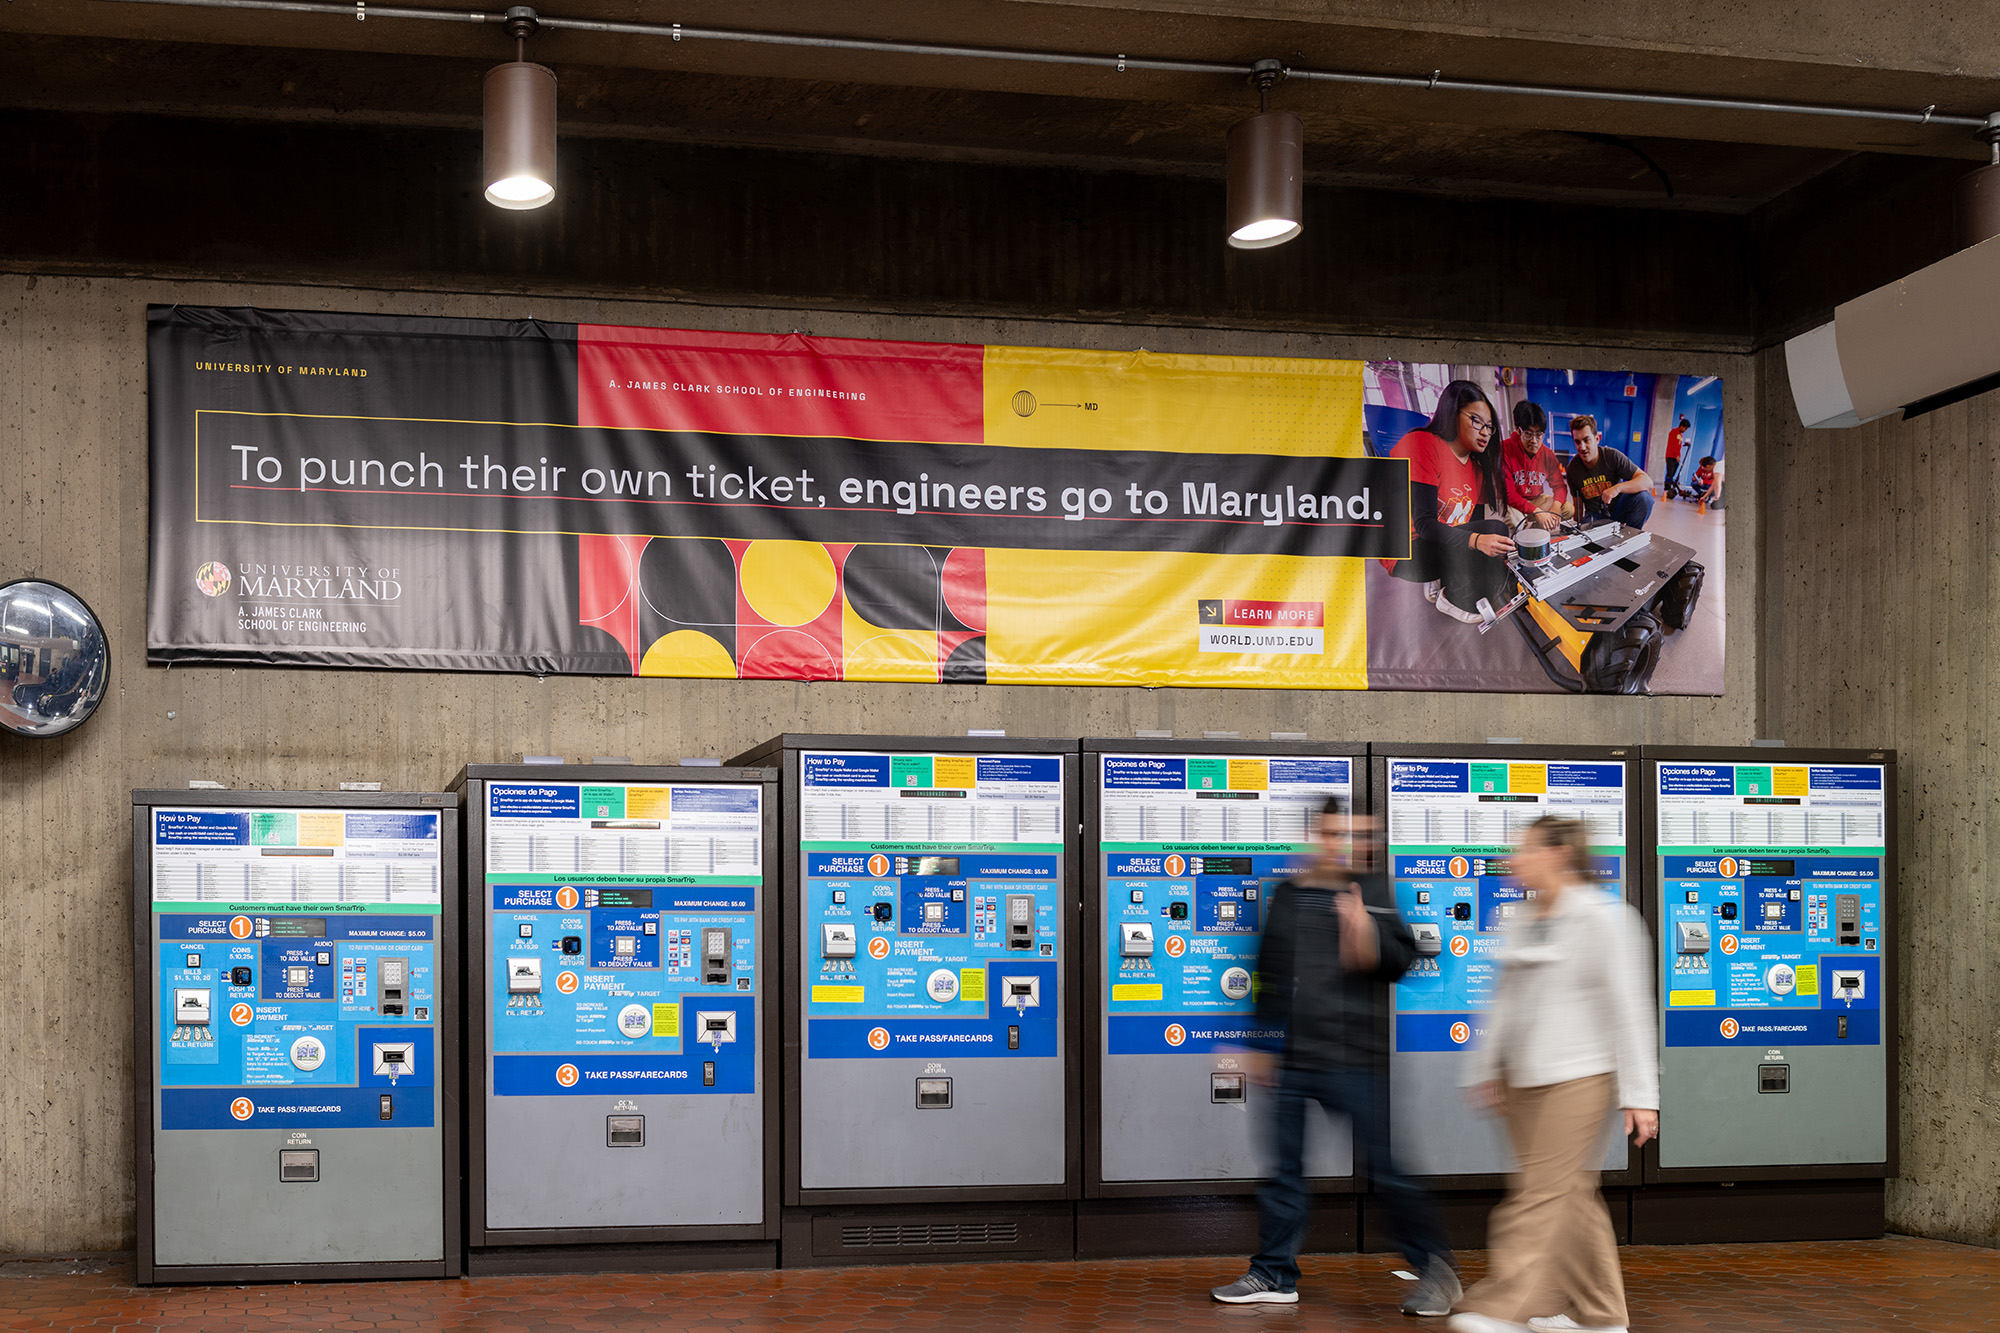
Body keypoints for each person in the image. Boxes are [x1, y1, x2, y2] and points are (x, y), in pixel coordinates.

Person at [1212, 798, 1458, 1314]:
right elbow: (1269, 972)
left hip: (1355, 1057)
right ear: (1314, 836)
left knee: (1386, 1170)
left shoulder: (1371, 890)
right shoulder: (1288, 894)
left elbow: (1399, 962)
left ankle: (1436, 1271)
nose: (1333, 844)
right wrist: (1256, 1043)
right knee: (1282, 1170)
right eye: (1325, 834)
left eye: (1341, 835)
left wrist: (1364, 930)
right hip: (1291, 1058)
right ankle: (1274, 1273)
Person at [1446, 817, 1659, 1333]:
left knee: (1539, 1197)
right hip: (1525, 1079)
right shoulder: (1522, 917)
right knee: (1570, 1195)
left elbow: (1630, 1010)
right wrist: (1486, 1066)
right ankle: (1602, 1316)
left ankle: (1505, 1308)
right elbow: (1504, 1001)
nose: (1515, 860)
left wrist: (1640, 1095)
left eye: (1526, 850)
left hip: (1580, 1077)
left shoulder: (1607, 918)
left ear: (1560, 854)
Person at [1384, 380, 1518, 624]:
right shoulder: (1423, 444)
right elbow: (1424, 524)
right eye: (1476, 421)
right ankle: (1452, 597)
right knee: (1493, 534)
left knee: (1498, 556)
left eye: (1489, 426)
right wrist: (1478, 542)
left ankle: (1446, 580)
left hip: (1442, 544)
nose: (1486, 432)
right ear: (1452, 413)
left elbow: (1474, 525)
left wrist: (1486, 553)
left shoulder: (1477, 469)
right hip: (1409, 549)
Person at [1563, 416, 1653, 531]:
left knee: (1644, 499)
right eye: (1577, 442)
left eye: (1587, 440)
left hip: (1619, 510)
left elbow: (1647, 482)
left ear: (1597, 439)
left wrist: (1617, 488)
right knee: (1587, 534)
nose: (1582, 447)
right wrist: (1577, 532)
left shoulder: (1612, 456)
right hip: (1595, 517)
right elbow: (1578, 506)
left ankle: (1631, 535)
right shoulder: (1573, 469)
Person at [1500, 400, 1573, 531]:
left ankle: (1538, 532)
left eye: (1539, 435)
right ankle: (1520, 540)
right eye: (1528, 434)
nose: (1534, 441)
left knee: (1567, 508)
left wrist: (1556, 505)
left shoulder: (1548, 455)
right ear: (1518, 429)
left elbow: (1560, 486)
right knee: (1516, 522)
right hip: (1513, 503)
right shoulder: (1504, 450)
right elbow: (1509, 494)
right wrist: (1536, 511)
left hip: (1536, 499)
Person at [1662, 416, 1690, 494]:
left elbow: (1678, 445)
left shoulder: (1680, 435)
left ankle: (1670, 486)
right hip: (1671, 456)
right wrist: (1677, 455)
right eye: (1685, 428)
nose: (1685, 430)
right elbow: (1674, 445)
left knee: (1673, 473)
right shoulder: (1674, 432)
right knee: (1670, 473)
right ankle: (1667, 488)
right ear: (1681, 426)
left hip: (1676, 457)